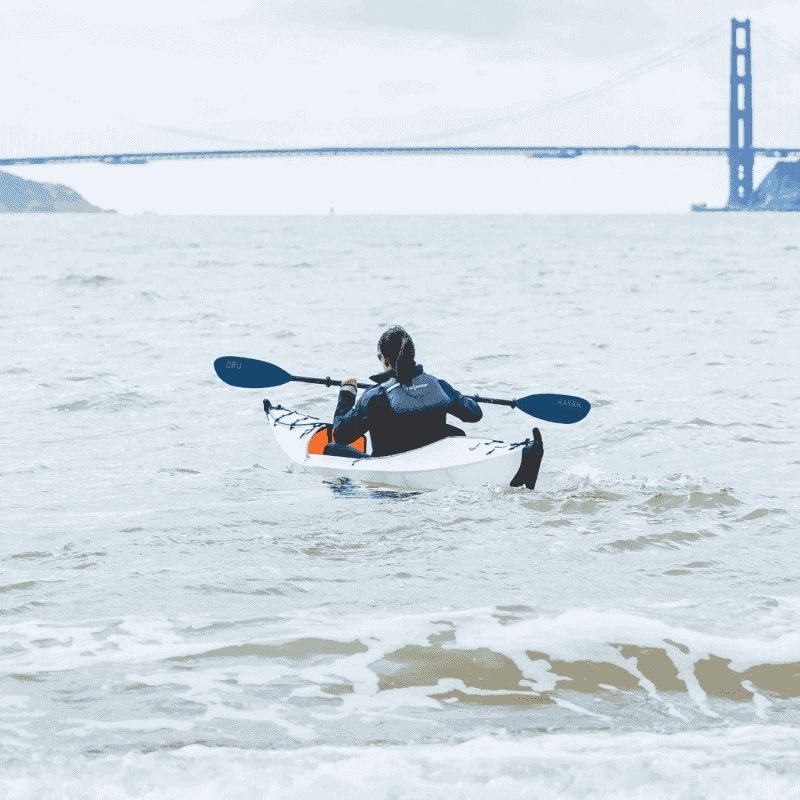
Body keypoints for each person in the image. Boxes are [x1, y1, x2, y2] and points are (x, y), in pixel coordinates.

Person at [326, 326, 483, 458]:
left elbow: (340, 435)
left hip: (391, 468)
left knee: (331, 449)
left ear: (385, 360)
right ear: (412, 355)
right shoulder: (438, 385)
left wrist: (347, 393)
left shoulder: (376, 396)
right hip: (432, 462)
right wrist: (459, 397)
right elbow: (474, 414)